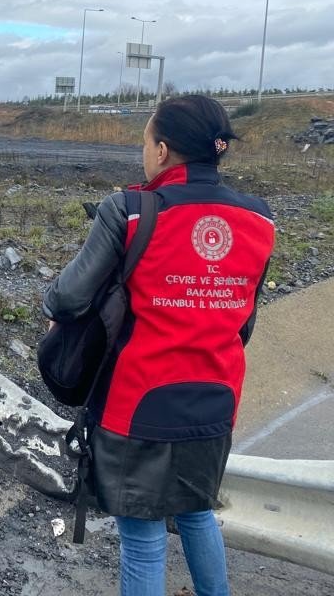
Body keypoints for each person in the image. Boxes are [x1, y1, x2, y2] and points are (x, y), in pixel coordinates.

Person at [43, 95, 275, 596]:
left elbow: (66, 298)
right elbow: (244, 324)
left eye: (146, 141)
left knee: (145, 536)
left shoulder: (129, 210)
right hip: (216, 400)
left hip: (138, 406)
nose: (144, 152)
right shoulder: (260, 219)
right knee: (196, 513)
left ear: (164, 150)